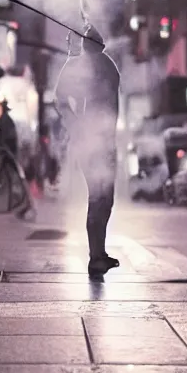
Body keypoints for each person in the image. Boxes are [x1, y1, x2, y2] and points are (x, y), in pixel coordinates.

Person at [55, 23, 120, 278]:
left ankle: (99, 254)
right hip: (92, 143)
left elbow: (61, 97)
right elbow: (60, 99)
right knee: (98, 198)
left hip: (104, 141)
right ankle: (96, 257)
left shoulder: (102, 65)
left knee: (104, 199)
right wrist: (79, 127)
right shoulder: (85, 65)